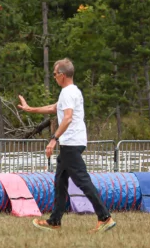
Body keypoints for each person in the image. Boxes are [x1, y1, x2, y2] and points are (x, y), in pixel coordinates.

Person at [17, 58, 116, 233]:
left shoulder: (68, 92)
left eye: (55, 74)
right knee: (60, 182)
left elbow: (68, 117)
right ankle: (55, 221)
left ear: (62, 75)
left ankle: (105, 217)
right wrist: (30, 109)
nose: (54, 77)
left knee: (83, 181)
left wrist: (54, 138)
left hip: (71, 143)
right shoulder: (71, 91)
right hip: (70, 143)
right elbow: (54, 108)